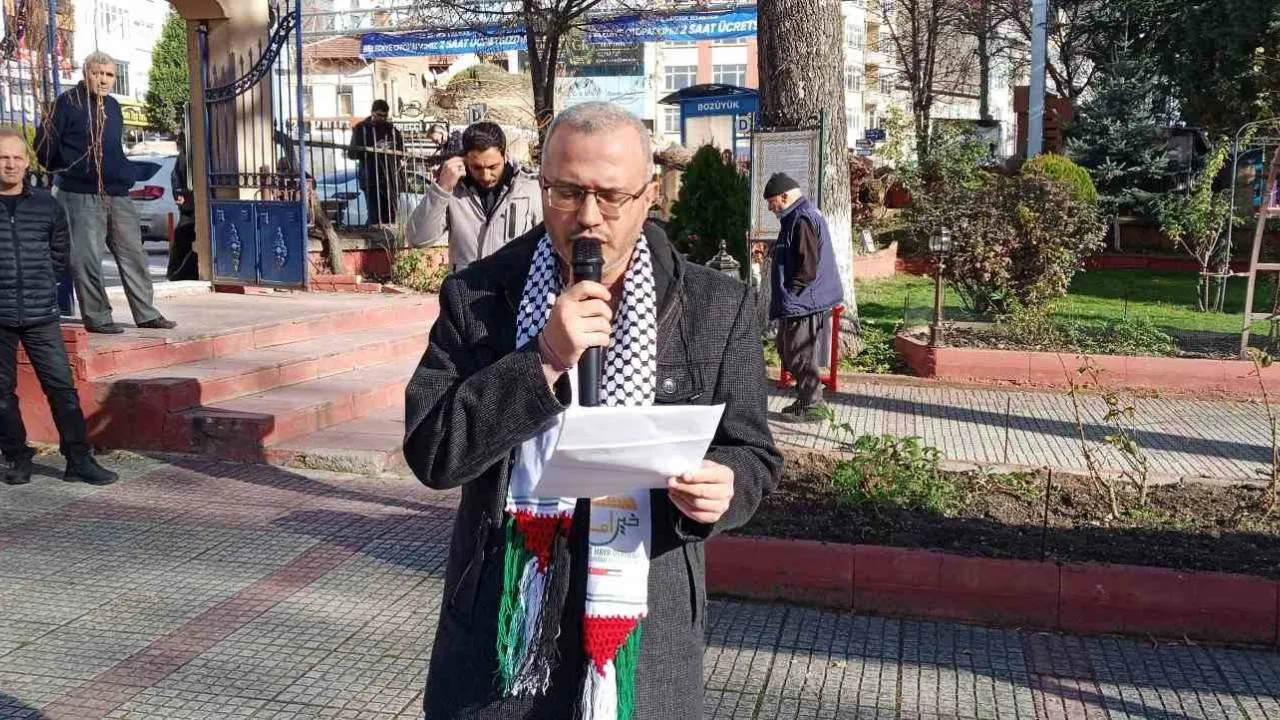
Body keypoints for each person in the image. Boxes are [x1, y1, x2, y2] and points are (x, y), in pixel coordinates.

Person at [403, 101, 781, 719]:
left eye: (610, 196)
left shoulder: (718, 307)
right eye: (567, 192)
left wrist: (727, 486)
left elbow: (753, 454)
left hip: (645, 630)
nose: (587, 217)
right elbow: (433, 451)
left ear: (649, 196)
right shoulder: (480, 295)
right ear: (541, 186)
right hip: (502, 631)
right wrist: (543, 359)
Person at [0, 130, 116, 487]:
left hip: (41, 315)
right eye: (3, 157)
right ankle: (17, 457)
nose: (10, 164)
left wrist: (41, 284)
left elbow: (59, 252)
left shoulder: (46, 205)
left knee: (62, 389)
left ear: (27, 162)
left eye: (17, 157)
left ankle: (78, 460)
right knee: (1, 394)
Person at [35, 51, 175, 334]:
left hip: (118, 193)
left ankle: (146, 313)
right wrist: (72, 170)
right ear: (86, 73)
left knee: (134, 254)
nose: (104, 80)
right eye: (98, 73)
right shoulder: (66, 103)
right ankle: (98, 317)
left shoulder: (112, 105)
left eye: (110, 74)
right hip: (80, 194)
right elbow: (43, 147)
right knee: (86, 259)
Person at [405, 121, 542, 272]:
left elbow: (548, 245)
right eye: (477, 167)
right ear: (465, 159)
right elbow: (418, 238)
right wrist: (441, 189)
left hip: (515, 285)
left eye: (493, 167)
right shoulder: (454, 191)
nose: (486, 176)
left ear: (505, 155)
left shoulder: (529, 188)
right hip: (465, 285)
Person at [764, 172, 844, 420]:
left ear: (784, 197)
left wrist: (793, 293)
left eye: (772, 202)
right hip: (801, 300)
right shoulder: (796, 217)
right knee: (787, 349)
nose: (770, 208)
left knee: (799, 353)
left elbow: (807, 266)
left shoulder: (802, 219)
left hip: (804, 301)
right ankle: (805, 399)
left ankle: (813, 406)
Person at [347, 100, 405, 226]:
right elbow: (351, 154)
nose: (382, 119)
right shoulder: (361, 128)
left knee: (391, 216)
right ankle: (373, 235)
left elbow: (402, 152)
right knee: (375, 216)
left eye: (385, 116)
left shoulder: (391, 129)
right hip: (371, 178)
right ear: (372, 113)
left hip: (391, 177)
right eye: (379, 115)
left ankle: (388, 237)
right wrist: (372, 149)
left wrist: (392, 147)